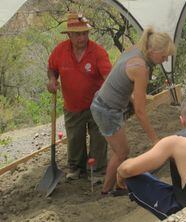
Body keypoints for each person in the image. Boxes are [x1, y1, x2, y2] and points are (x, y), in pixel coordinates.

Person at [90, 27, 176, 194]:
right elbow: (140, 111)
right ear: (152, 50)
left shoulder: (136, 49)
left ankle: (116, 185)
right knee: (121, 152)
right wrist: (155, 140)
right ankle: (107, 191)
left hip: (103, 101)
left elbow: (119, 75)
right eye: (164, 55)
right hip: (107, 110)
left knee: (122, 150)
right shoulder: (141, 67)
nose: (165, 60)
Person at [47, 13, 111, 180]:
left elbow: (108, 77)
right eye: (77, 34)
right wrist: (52, 79)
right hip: (72, 105)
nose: (82, 37)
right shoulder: (60, 51)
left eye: (84, 33)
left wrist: (104, 94)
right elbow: (52, 68)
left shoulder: (98, 52)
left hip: (97, 105)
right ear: (69, 35)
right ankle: (76, 168)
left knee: (98, 138)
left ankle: (97, 170)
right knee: (75, 138)